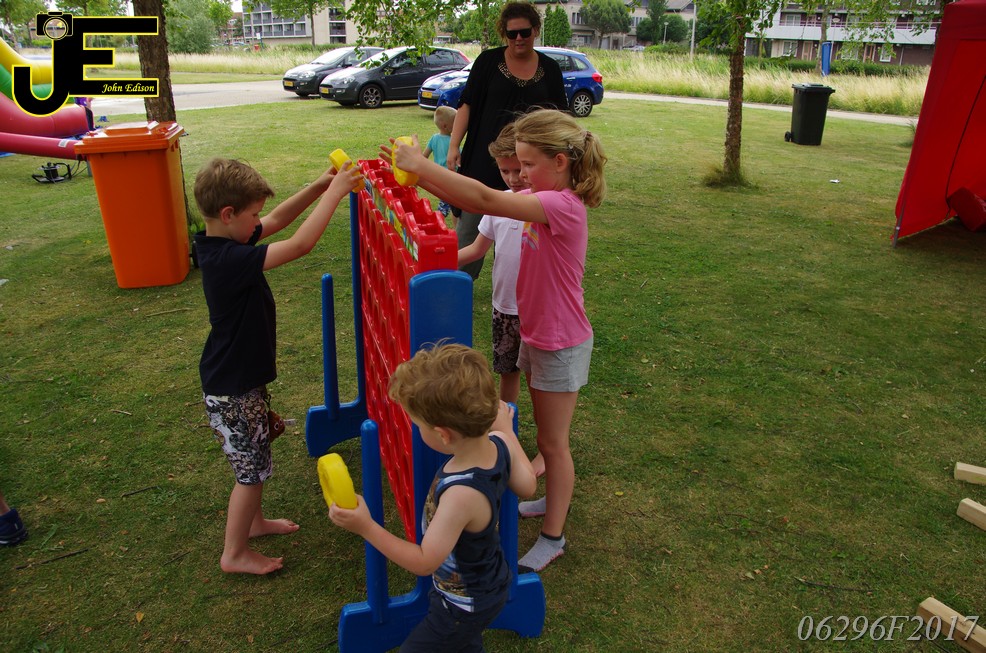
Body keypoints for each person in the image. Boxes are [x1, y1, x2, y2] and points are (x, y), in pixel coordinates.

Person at [388, 108, 607, 573]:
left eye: (527, 164)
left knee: (553, 444)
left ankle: (553, 536)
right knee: (545, 436)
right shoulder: (541, 197)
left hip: (560, 341)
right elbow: (479, 201)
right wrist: (420, 179)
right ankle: (548, 502)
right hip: (538, 332)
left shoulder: (561, 205)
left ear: (560, 162)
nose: (520, 175)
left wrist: (425, 166)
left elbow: (485, 197)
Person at [194, 156, 361, 575]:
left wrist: (319, 185)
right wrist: (336, 193)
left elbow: (278, 220)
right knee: (250, 473)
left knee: (256, 457)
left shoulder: (224, 240)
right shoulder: (228, 260)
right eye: (252, 215)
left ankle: (254, 524)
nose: (259, 222)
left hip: (237, 381)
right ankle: (234, 553)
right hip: (232, 389)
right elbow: (301, 244)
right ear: (228, 214)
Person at [329, 343, 537, 652]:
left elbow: (424, 561)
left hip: (463, 606)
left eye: (417, 425)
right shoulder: (499, 442)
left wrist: (366, 526)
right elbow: (528, 486)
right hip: (488, 581)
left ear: (443, 435)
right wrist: (507, 431)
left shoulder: (460, 495)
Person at [446, 0, 567, 280]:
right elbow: (467, 104)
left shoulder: (550, 69)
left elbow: (560, 119)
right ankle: (455, 284)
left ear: (535, 30)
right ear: (504, 34)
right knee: (469, 230)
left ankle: (519, 289)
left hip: (530, 167)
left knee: (524, 236)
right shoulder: (488, 62)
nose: (518, 38)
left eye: (524, 32)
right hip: (484, 161)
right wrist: (453, 145)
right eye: (512, 33)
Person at [458, 124, 526, 404]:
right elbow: (476, 249)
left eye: (519, 169)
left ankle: (547, 427)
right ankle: (508, 420)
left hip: (536, 311)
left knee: (539, 377)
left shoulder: (544, 205)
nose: (512, 178)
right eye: (504, 171)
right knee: (507, 372)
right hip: (504, 307)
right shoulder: (499, 204)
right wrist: (433, 261)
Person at [422, 105, 456, 219]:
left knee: (449, 200)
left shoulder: (434, 138)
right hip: (450, 176)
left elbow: (424, 156)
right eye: (455, 123)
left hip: (437, 175)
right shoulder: (453, 142)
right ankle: (437, 218)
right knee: (448, 202)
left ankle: (441, 216)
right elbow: (459, 158)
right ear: (445, 126)